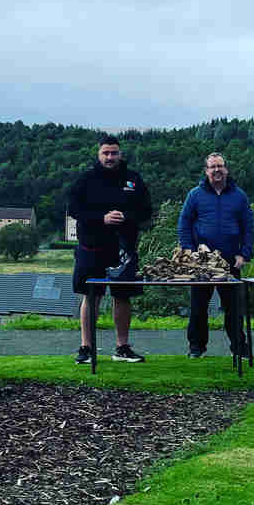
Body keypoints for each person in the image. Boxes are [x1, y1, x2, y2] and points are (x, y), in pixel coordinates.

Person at [67, 136, 153, 363]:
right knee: (91, 296)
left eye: (114, 153)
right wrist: (101, 218)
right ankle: (86, 348)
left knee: (123, 297)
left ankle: (122, 348)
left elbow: (146, 211)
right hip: (92, 247)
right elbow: (73, 209)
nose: (110, 157)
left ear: (120, 154)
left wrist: (127, 217)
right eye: (106, 153)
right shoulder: (86, 179)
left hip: (124, 249)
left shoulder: (133, 179)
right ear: (99, 154)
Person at [177, 152, 254, 359]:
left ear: (226, 169)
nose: (217, 170)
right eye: (212, 167)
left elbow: (248, 227)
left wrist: (244, 254)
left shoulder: (239, 196)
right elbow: (184, 224)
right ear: (206, 171)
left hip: (230, 261)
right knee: (198, 307)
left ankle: (239, 347)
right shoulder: (195, 195)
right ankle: (196, 348)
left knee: (234, 308)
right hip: (202, 262)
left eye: (220, 166)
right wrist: (189, 251)